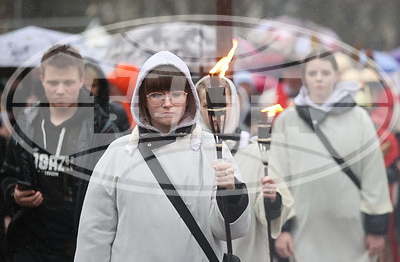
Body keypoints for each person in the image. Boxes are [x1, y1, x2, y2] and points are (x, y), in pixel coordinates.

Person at [74, 51, 250, 261]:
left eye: (176, 94)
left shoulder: (213, 149)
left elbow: (231, 230)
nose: (168, 103)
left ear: (188, 97)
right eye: (157, 94)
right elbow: (95, 234)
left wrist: (231, 193)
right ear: (143, 99)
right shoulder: (118, 154)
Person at [270, 51, 393, 262]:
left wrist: (376, 227)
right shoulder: (286, 121)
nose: (319, 78)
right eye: (313, 73)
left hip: (353, 232)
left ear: (336, 76)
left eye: (325, 72)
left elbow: (374, 175)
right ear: (304, 78)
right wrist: (281, 228)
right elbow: (278, 176)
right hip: (304, 230)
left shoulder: (359, 119)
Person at [0, 44, 118, 261]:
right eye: (53, 82)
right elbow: (7, 174)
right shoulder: (26, 122)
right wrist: (14, 194)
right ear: (42, 79)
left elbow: (111, 192)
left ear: (82, 79)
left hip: (78, 243)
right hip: (30, 244)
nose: (60, 90)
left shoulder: (102, 127)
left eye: (68, 82)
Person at [196, 75, 293, 261]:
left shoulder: (255, 150)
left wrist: (271, 199)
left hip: (247, 251)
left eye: (224, 104)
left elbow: (273, 214)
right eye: (208, 105)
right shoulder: (192, 150)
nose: (216, 112)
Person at [83, 60, 131, 133]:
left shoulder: (117, 113)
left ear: (100, 86)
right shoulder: (68, 114)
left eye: (93, 85)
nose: (89, 90)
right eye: (84, 85)